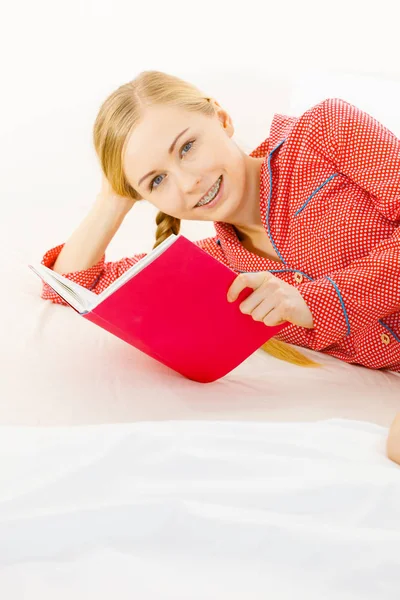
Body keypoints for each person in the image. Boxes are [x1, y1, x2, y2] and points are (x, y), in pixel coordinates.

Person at [38, 70, 400, 462]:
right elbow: (71, 285)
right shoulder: (217, 270)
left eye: (187, 147)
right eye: (157, 181)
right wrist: (114, 195)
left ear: (222, 118)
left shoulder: (323, 131)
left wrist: (316, 302)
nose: (188, 183)